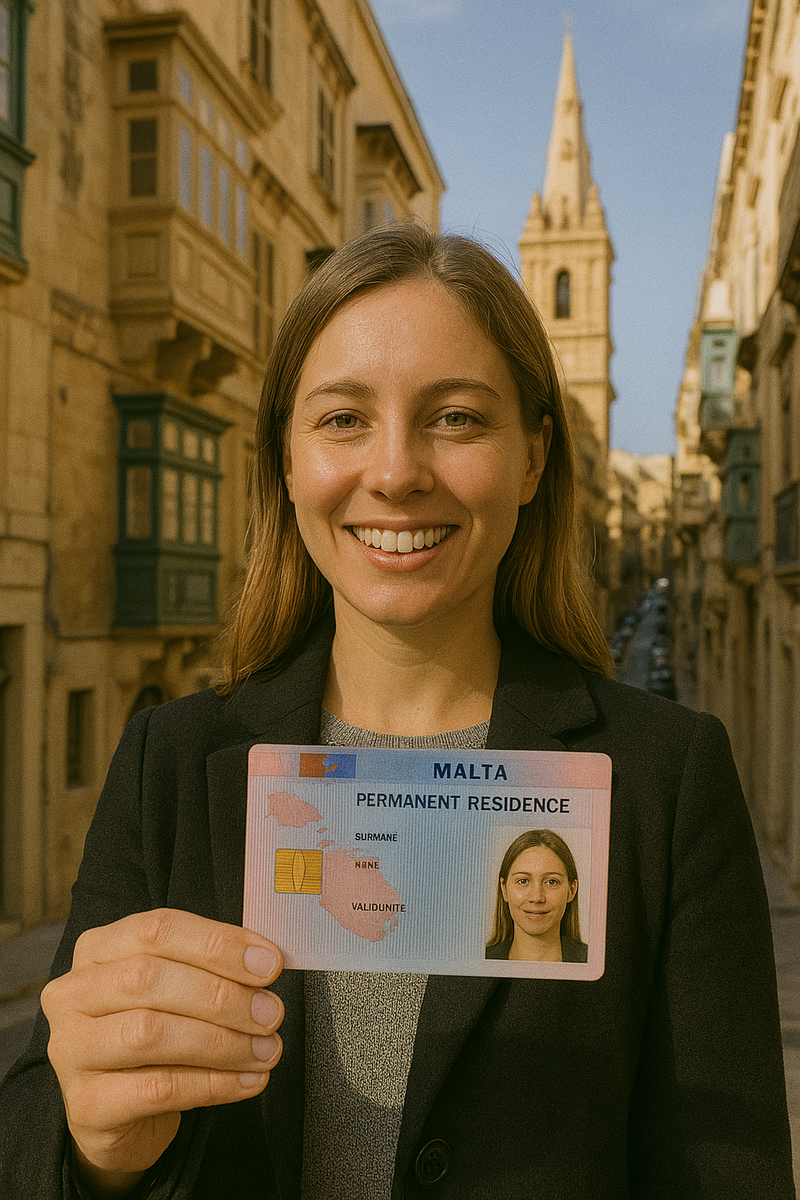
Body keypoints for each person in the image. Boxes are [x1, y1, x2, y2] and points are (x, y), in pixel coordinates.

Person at [0, 223, 795, 1199]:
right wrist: (95, 1146)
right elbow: (34, 1139)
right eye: (342, 419)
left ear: (533, 459)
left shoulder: (665, 782)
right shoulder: (166, 758)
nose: (394, 471)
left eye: (455, 418)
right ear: (285, 461)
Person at [485, 829, 588, 962]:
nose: (536, 897)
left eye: (551, 882)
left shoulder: (597, 960)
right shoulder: (476, 962)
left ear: (572, 890)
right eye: (523, 881)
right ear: (504, 889)